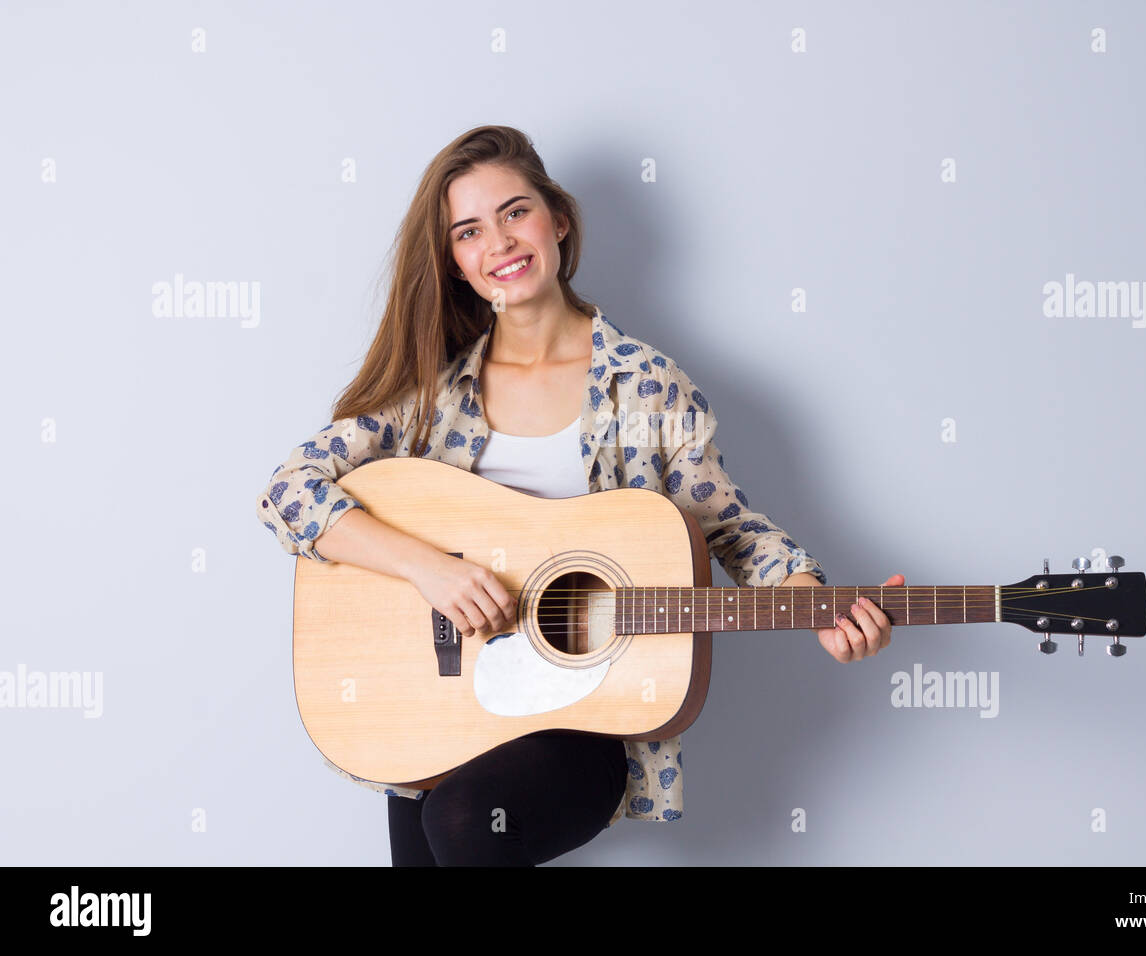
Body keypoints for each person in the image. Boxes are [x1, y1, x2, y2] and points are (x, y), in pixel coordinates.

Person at [255, 125, 903, 866]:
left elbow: (727, 526)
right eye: (469, 231)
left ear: (557, 219)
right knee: (439, 826)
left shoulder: (645, 382)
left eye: (514, 212)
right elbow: (288, 493)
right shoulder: (431, 397)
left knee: (466, 824)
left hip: (582, 719)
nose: (498, 241)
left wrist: (809, 596)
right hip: (442, 710)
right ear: (456, 264)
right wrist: (429, 568)